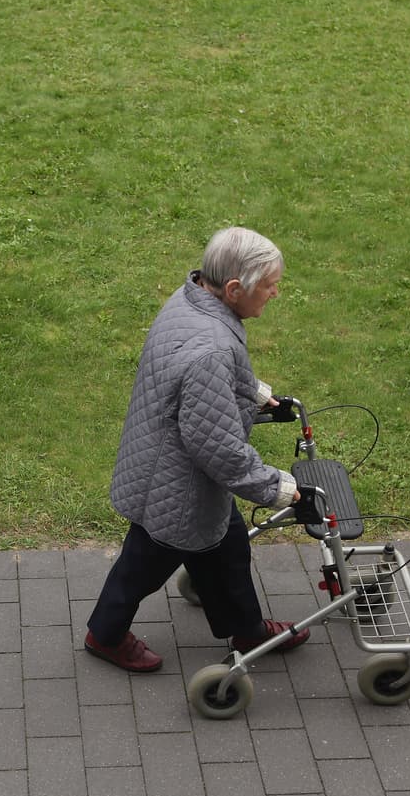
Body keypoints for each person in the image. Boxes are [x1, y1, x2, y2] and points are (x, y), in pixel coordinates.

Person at [84, 226, 309, 673]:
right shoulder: (211, 348)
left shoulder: (192, 301)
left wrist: (256, 393)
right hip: (178, 489)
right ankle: (105, 635)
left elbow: (213, 375)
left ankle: (245, 629)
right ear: (233, 288)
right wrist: (280, 488)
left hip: (166, 467)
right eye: (268, 285)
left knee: (225, 550)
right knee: (143, 567)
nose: (275, 292)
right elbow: (221, 450)